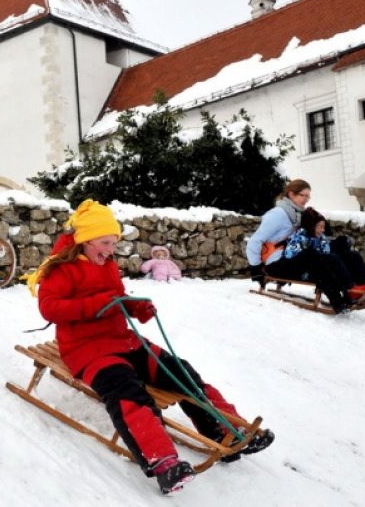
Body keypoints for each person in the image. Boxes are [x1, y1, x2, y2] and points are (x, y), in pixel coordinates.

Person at [28, 199, 274, 495]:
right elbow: (50, 308)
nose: (110, 249)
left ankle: (228, 430)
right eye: (105, 242)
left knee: (181, 373)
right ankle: (163, 462)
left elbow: (118, 296)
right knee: (127, 391)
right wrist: (98, 305)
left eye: (114, 243)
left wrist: (136, 308)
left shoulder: (107, 264)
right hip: (88, 350)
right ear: (85, 239)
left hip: (125, 341)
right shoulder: (62, 269)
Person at [246, 180, 365, 313]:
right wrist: (256, 268)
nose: (306, 199)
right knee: (319, 257)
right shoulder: (279, 214)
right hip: (277, 264)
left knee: (349, 254)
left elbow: (313, 236)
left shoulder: (299, 214)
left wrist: (335, 243)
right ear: (291, 194)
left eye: (308, 196)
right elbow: (255, 241)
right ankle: (349, 291)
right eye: (303, 195)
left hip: (294, 257)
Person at [284, 208, 365, 302]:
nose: (322, 230)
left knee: (353, 255)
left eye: (323, 227)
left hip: (324, 266)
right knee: (333, 259)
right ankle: (350, 290)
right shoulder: (299, 238)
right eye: (319, 227)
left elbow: (327, 252)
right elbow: (290, 258)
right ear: (310, 226)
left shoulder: (321, 237)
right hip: (306, 272)